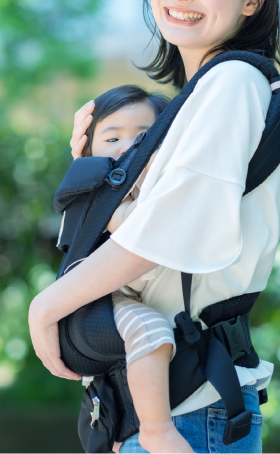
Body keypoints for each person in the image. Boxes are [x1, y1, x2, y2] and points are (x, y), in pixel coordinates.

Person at [29, 0, 280, 454]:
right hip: (180, 402)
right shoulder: (200, 97)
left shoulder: (232, 82)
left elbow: (165, 233)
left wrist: (46, 305)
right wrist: (98, 170)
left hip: (189, 410)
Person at [62, 85, 190, 454]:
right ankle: (155, 429)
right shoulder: (96, 190)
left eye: (144, 137)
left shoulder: (168, 178)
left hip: (140, 287)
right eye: (112, 137)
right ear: (88, 151)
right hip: (109, 293)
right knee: (150, 332)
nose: (128, 147)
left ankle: (122, 429)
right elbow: (134, 225)